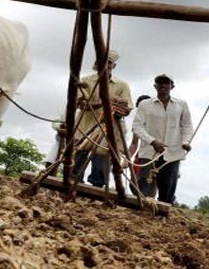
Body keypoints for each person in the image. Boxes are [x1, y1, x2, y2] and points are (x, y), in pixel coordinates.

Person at [72, 49, 133, 188]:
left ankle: (95, 196)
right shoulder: (85, 81)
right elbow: (80, 104)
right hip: (84, 128)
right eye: (102, 61)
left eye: (109, 62)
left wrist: (119, 108)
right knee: (75, 166)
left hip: (107, 132)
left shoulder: (122, 85)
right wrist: (106, 102)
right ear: (96, 63)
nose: (105, 64)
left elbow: (127, 109)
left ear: (113, 66)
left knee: (99, 171)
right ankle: (72, 190)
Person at [131, 74, 193, 204]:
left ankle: (162, 215)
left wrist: (186, 142)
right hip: (149, 152)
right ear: (155, 86)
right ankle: (140, 212)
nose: (163, 86)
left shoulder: (181, 104)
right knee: (143, 185)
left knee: (168, 186)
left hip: (173, 153)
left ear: (172, 86)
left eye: (166, 83)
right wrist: (152, 141)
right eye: (159, 83)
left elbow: (187, 126)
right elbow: (137, 126)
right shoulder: (145, 104)